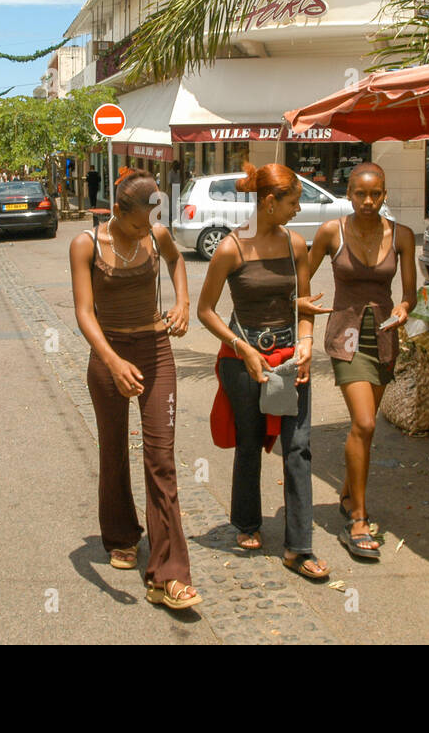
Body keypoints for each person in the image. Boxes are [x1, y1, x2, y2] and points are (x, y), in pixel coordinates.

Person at [70, 169, 199, 610]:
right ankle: (121, 535)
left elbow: (177, 261)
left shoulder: (157, 233)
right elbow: (84, 312)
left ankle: (169, 574)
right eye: (141, 222)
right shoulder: (86, 244)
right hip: (108, 355)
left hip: (155, 351)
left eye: (153, 221)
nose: (149, 229)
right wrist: (112, 360)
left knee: (161, 458)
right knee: (113, 449)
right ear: (119, 211)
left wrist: (182, 303)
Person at [197, 162, 327, 582]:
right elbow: (205, 310)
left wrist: (306, 343)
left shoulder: (296, 244)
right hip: (243, 359)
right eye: (292, 203)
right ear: (269, 202)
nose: (297, 210)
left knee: (298, 448)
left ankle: (299, 547)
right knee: (249, 442)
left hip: (290, 358)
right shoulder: (231, 248)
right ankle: (248, 523)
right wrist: (241, 348)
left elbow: (304, 303)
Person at [301, 163, 416, 560]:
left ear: (385, 195)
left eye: (376, 194)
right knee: (364, 422)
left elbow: (410, 294)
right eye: (360, 194)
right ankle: (358, 520)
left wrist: (403, 308)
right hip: (345, 337)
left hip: (384, 337)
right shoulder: (332, 231)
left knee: (364, 430)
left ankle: (349, 495)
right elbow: (304, 273)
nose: (368, 201)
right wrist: (301, 304)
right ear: (348, 193)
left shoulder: (402, 236)